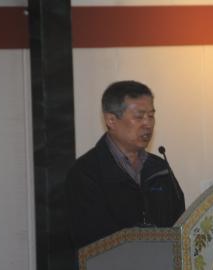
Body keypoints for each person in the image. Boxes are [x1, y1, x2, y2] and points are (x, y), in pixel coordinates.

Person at [66, 80, 185, 249]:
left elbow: (180, 224)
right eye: (139, 116)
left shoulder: (159, 169)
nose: (148, 124)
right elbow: (90, 239)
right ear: (111, 120)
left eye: (151, 116)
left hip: (161, 263)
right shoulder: (86, 173)